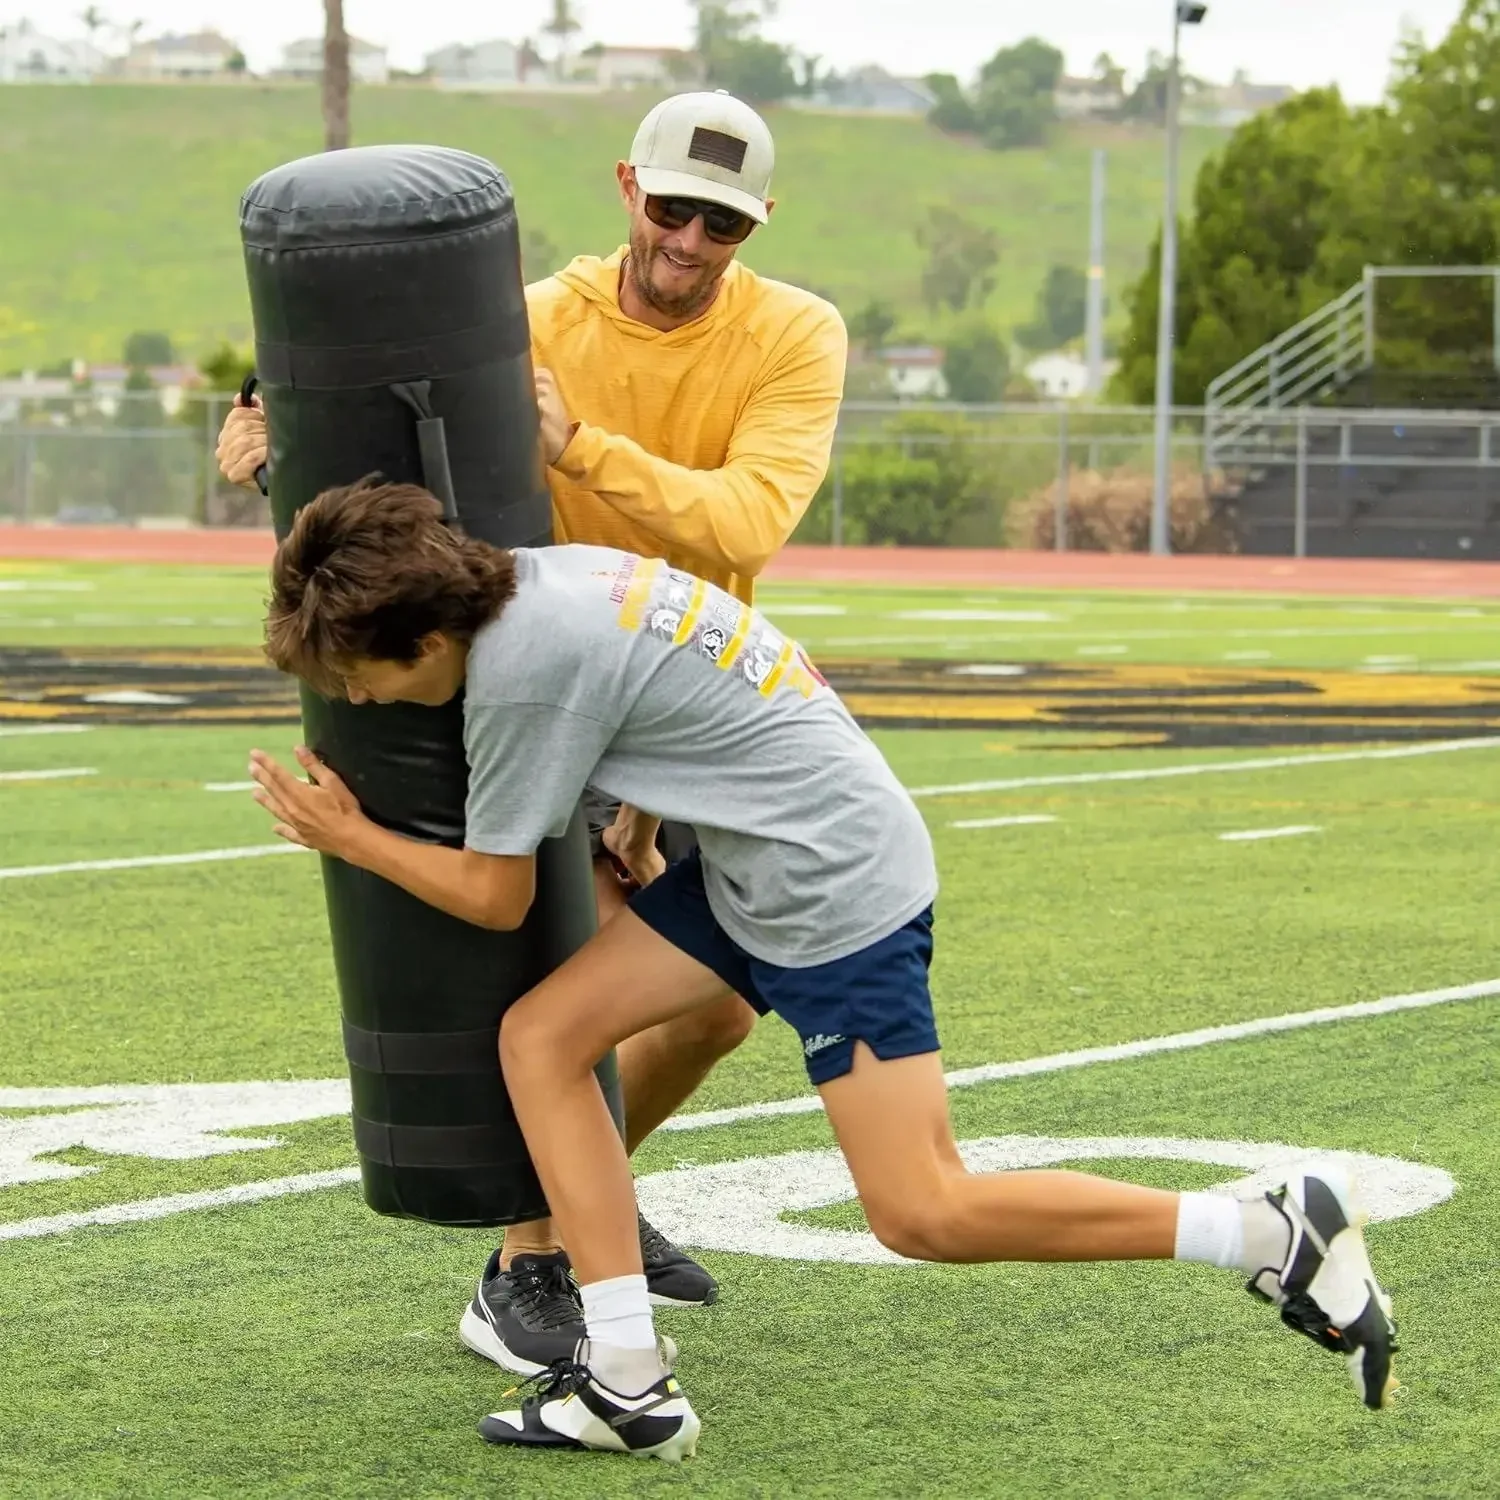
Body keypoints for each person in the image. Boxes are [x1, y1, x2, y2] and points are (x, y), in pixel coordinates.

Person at [247, 480, 1400, 1464]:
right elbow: (671, 692)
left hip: (829, 890)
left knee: (923, 1210)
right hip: (763, 857)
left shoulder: (519, 670)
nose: (352, 700)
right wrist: (645, 817)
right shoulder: (543, 574)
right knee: (543, 1038)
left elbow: (496, 894)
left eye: (358, 676)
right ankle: (628, 1381)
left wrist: (348, 837)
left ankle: (1265, 1229)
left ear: (433, 640)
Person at [216, 89, 849, 1374]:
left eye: (718, 225)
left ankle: (580, 1201)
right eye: (670, 207)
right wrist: (272, 431)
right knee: (568, 993)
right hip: (538, 697)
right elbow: (369, 437)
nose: (685, 241)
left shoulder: (794, 334)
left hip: (671, 703)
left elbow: (744, 525)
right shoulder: (532, 317)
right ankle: (529, 1262)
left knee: (715, 1008)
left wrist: (589, 446)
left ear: (756, 225)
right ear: (628, 186)